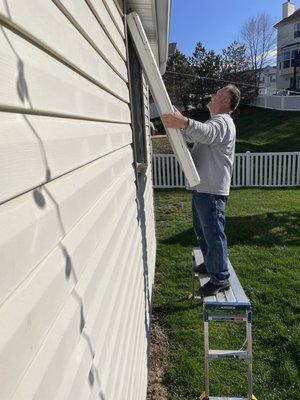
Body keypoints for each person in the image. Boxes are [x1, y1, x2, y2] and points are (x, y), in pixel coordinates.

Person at [161, 84, 241, 296]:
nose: (213, 95)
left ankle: (221, 278)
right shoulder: (214, 122)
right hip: (204, 187)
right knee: (204, 232)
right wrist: (178, 127)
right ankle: (211, 265)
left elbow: (206, 133)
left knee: (213, 234)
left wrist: (184, 122)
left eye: (218, 93)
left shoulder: (223, 122)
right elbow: (195, 136)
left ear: (226, 101)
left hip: (211, 190)